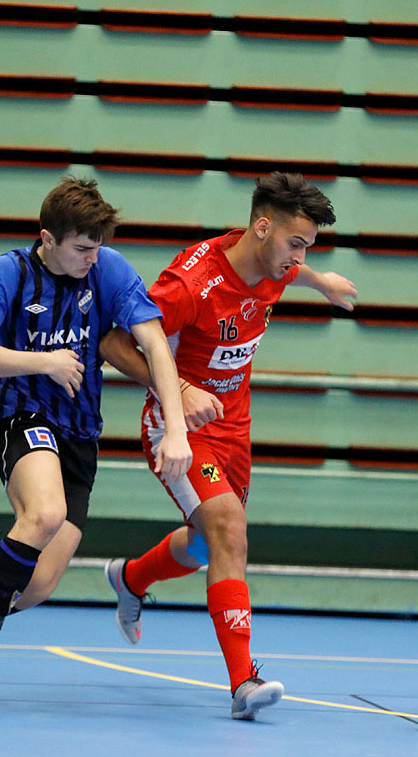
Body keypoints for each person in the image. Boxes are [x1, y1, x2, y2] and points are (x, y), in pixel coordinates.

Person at [0, 175, 191, 693]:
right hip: (20, 420)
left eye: (99, 247)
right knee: (44, 514)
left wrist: (175, 428)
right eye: (82, 248)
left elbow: (155, 346)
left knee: (36, 586)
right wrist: (42, 362)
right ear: (48, 238)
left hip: (81, 436)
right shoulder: (9, 273)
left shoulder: (108, 270)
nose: (93, 257)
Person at [97, 171, 357, 720]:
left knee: (205, 543)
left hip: (234, 428)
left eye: (307, 248)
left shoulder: (273, 263)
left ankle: (130, 577)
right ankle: (244, 682)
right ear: (262, 228)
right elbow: (113, 343)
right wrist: (181, 389)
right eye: (296, 244)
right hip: (179, 426)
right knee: (229, 532)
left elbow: (292, 268)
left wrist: (321, 280)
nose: (299, 257)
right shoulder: (191, 284)